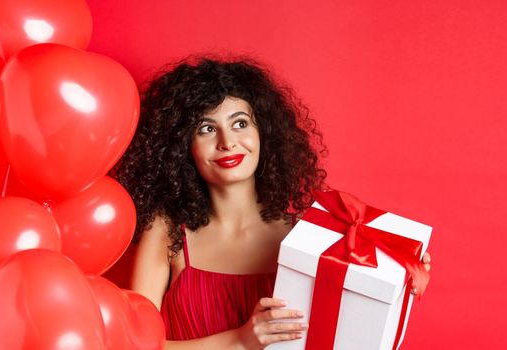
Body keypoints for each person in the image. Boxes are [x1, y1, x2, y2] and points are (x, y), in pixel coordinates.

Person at [114, 57, 431, 349]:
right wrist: (240, 340)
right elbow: (135, 346)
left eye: (240, 123)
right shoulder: (167, 232)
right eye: (207, 129)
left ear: (263, 132)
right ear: (183, 146)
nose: (228, 142)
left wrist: (401, 277)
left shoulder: (308, 235)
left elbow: (353, 329)